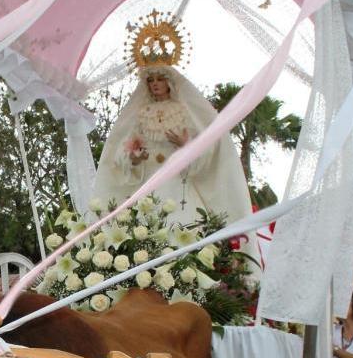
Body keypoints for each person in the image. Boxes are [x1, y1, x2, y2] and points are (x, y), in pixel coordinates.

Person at [91, 56, 251, 235]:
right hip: (148, 184)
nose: (155, 84)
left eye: (160, 79)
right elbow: (123, 150)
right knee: (146, 231)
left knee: (184, 228)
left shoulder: (183, 110)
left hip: (179, 184)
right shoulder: (141, 114)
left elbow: (207, 148)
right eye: (151, 80)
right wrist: (134, 158)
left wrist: (187, 146)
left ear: (169, 81)